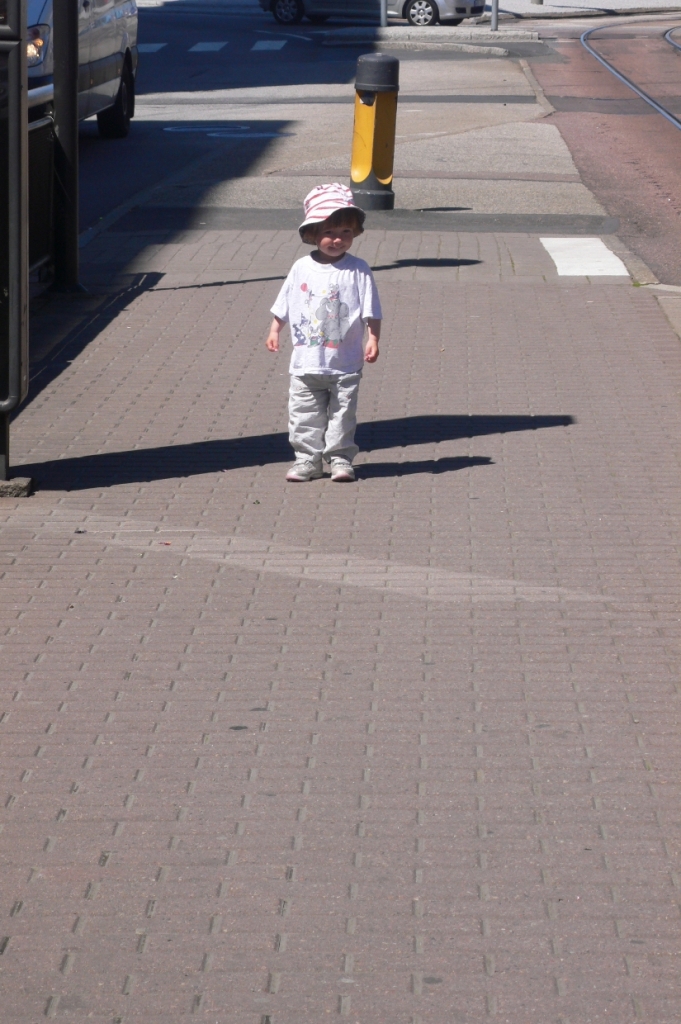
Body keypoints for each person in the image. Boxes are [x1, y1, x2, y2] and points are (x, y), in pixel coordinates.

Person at [265, 183, 383, 482]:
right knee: (304, 416)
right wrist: (275, 330)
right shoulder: (301, 268)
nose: (337, 239)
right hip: (306, 363)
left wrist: (373, 338)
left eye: (346, 232)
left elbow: (371, 308)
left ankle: (341, 459)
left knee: (343, 415)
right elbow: (285, 303)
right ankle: (307, 460)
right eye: (330, 232)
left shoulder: (358, 269)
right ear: (313, 234)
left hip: (344, 362)